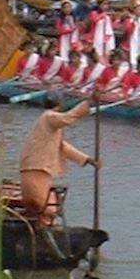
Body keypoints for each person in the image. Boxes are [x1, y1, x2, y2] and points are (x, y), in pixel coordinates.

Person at [17, 93, 98, 226]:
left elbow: (62, 147)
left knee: (45, 209)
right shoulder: (49, 117)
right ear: (59, 105)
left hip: (38, 169)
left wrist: (86, 159)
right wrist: (89, 103)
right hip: (35, 169)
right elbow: (68, 118)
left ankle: (45, 229)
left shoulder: (48, 124)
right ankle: (45, 232)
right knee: (44, 208)